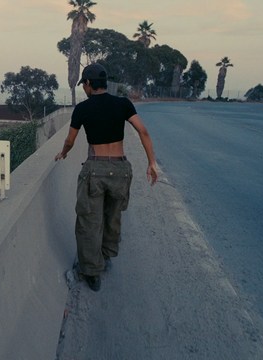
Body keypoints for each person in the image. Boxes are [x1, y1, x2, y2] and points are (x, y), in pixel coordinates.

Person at [55, 63, 158, 292]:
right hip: (121, 169)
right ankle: (106, 256)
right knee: (112, 217)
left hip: (95, 169)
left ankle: (91, 272)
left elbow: (70, 140)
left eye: (84, 84)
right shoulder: (123, 103)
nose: (84, 88)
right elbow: (143, 131)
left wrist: (63, 153)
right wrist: (151, 162)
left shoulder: (82, 109)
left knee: (89, 221)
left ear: (89, 84)